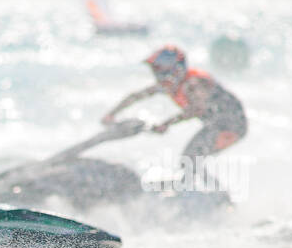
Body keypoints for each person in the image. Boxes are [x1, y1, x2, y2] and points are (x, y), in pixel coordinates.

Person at [102, 45, 247, 172]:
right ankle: (199, 192)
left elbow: (196, 109)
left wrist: (166, 124)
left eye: (158, 69)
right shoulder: (170, 85)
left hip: (231, 127)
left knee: (190, 160)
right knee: (190, 161)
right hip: (217, 126)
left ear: (174, 69)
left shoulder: (193, 84)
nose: (156, 74)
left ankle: (209, 195)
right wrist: (112, 114)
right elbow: (137, 96)